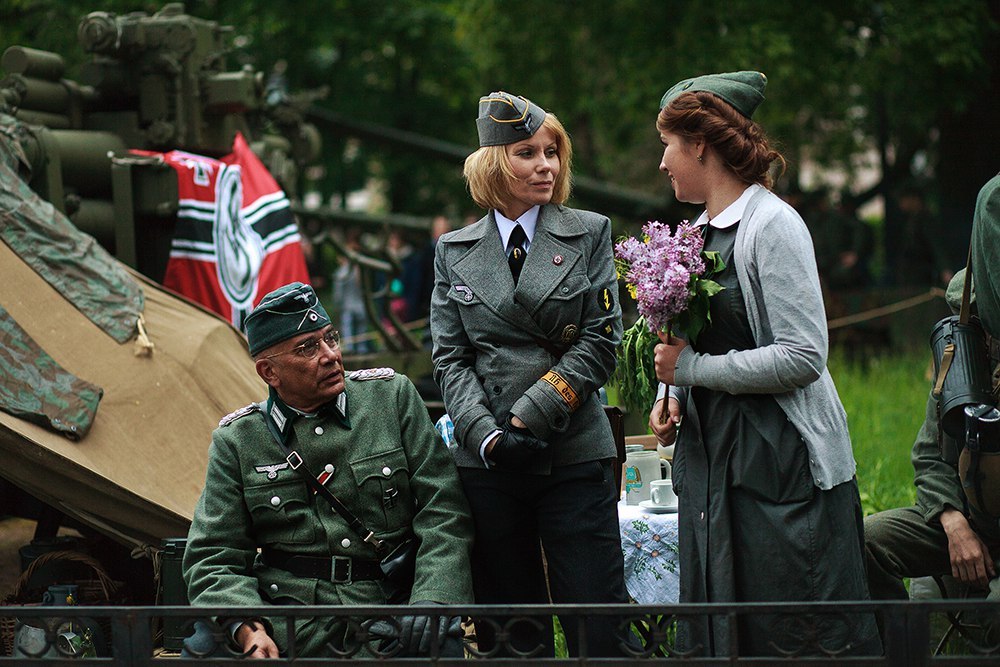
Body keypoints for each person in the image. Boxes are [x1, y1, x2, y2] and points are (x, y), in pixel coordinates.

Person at [647, 71, 881, 657]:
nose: (662, 163)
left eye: (667, 146)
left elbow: (804, 356)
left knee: (792, 629)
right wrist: (671, 396)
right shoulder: (695, 233)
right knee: (726, 628)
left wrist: (693, 372)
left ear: (699, 143)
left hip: (779, 465)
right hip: (715, 465)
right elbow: (691, 349)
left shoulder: (773, 226)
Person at [430, 91, 627, 657]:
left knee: (596, 622)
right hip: (488, 463)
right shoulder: (454, 250)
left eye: (552, 153)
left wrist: (528, 413)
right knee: (511, 632)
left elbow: (599, 340)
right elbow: (450, 358)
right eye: (527, 153)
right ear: (493, 163)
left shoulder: (588, 232)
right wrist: (488, 434)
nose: (546, 165)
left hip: (572, 452)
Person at [182, 281, 474, 658]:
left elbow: (444, 511)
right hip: (287, 619)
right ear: (269, 372)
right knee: (205, 648)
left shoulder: (391, 398)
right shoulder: (238, 441)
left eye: (330, 339)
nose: (330, 355)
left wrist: (433, 598)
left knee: (438, 645)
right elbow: (214, 555)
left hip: (388, 611)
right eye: (308, 348)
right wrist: (248, 629)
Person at [865, 173, 1000, 605]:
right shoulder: (962, 359)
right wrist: (954, 522)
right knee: (866, 540)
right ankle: (899, 647)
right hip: (973, 521)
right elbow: (928, 454)